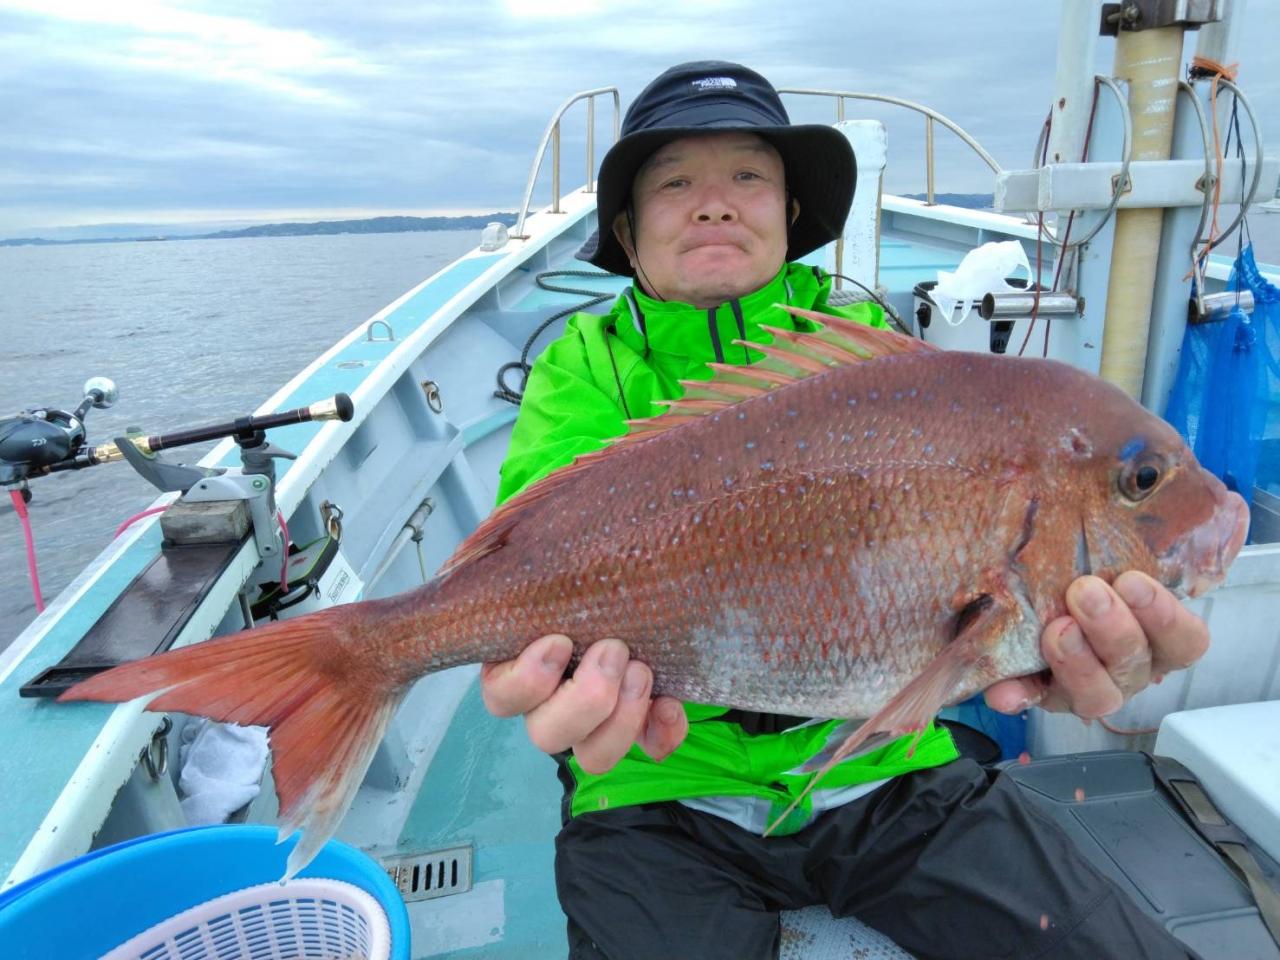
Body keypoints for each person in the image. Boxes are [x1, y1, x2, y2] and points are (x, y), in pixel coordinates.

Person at [481, 61, 1209, 960]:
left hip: (885, 774)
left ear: (791, 216)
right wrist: (543, 665)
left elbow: (961, 600)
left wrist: (1045, 646)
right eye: (673, 183)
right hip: (652, 792)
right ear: (626, 233)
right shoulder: (577, 370)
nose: (714, 204)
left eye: (748, 175)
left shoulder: (877, 365)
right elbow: (542, 546)